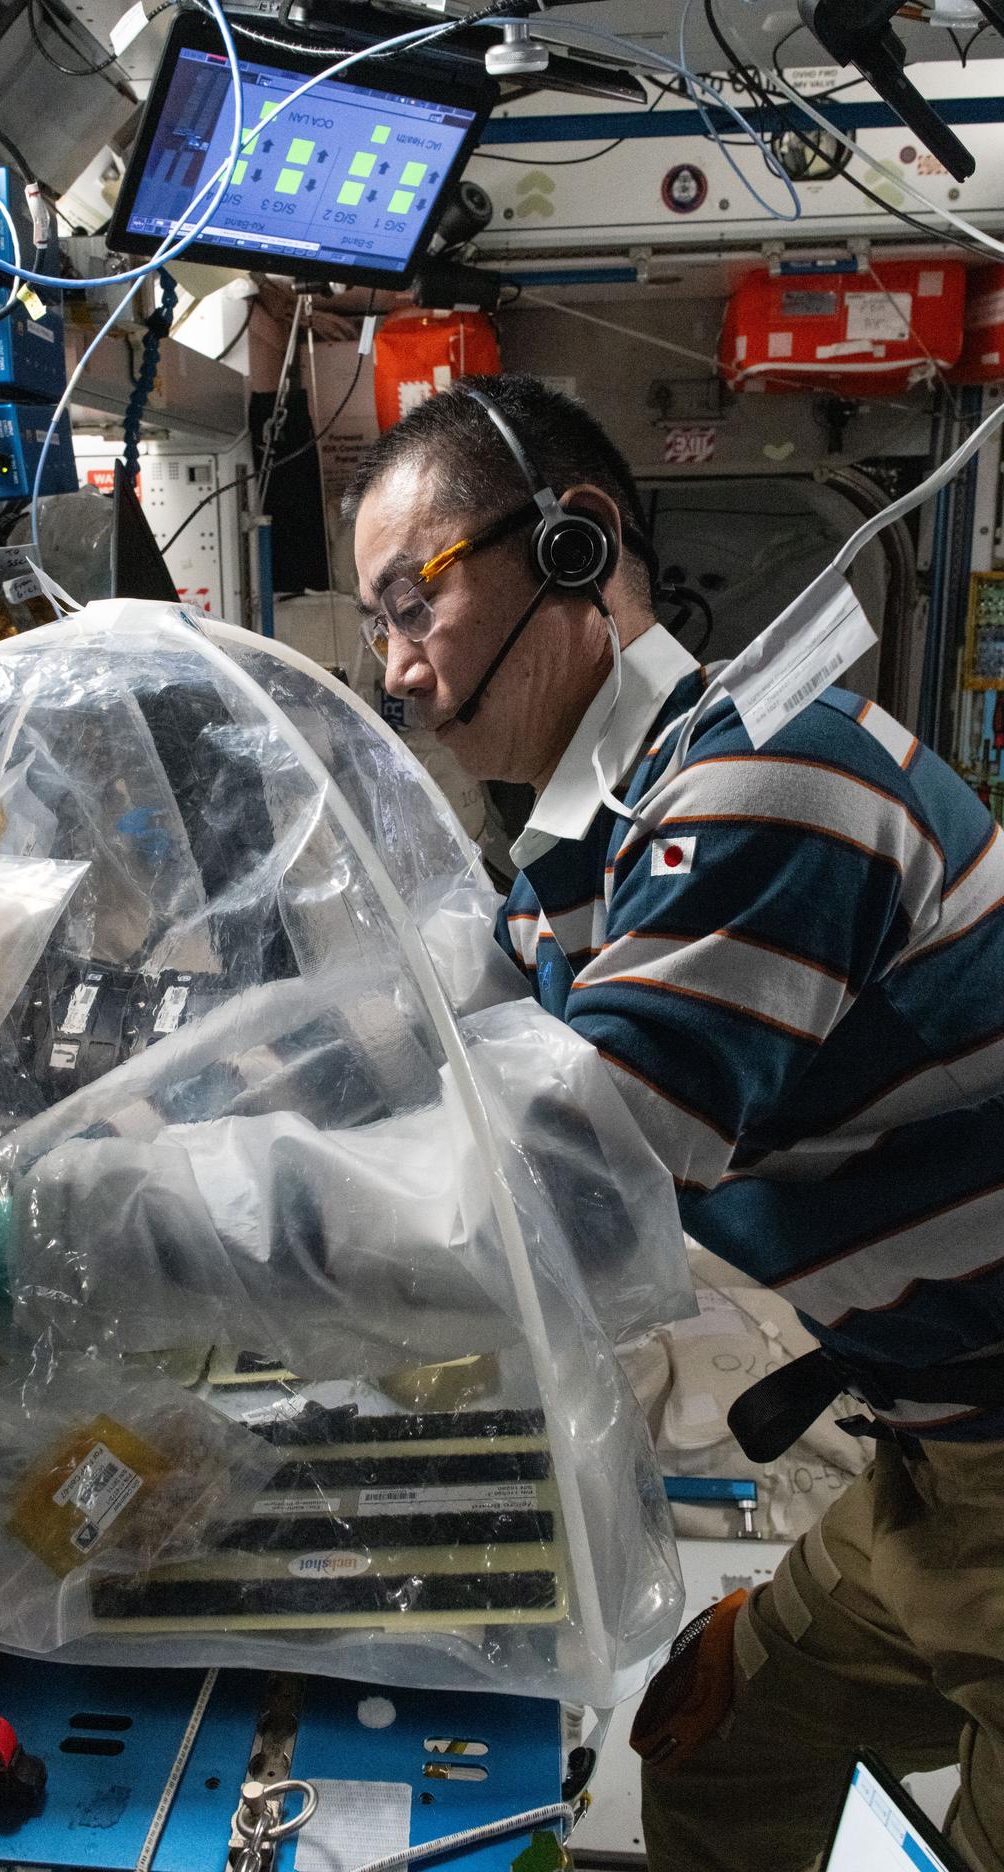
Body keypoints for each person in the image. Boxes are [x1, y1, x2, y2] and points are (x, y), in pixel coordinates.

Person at [345, 371, 1004, 1872]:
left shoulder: (770, 787)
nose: (395, 670)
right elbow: (443, 1048)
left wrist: (118, 1222)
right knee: (710, 1737)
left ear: (572, 545)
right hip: (930, 1446)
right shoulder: (594, 845)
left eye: (409, 607)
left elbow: (558, 1194)